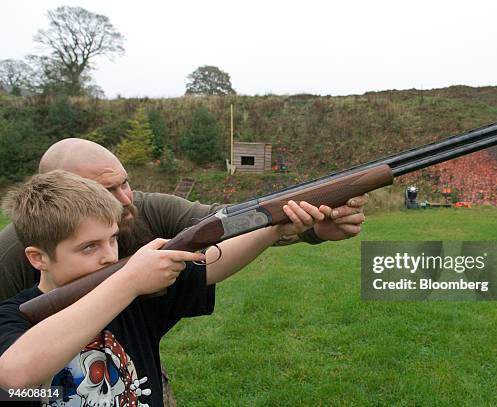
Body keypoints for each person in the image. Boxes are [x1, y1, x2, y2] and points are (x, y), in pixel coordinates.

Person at [0, 170, 329, 406]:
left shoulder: (138, 297)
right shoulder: (14, 315)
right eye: (89, 247)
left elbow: (213, 262)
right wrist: (128, 281)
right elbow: (16, 375)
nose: (109, 256)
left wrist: (272, 228)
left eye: (113, 239)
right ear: (38, 258)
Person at [0, 138, 368, 301]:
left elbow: (225, 224)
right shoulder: (12, 255)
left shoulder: (146, 207)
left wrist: (310, 229)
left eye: (125, 182)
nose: (126, 200)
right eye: (106, 191)